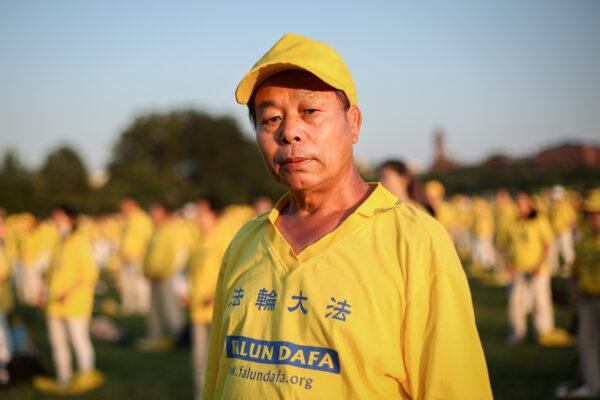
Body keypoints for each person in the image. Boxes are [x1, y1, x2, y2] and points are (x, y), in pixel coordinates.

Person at [203, 33, 492, 399]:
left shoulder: (414, 241)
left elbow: (453, 387)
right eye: (271, 118)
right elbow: (218, 378)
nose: (289, 131)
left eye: (310, 112)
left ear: (353, 123)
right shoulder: (246, 242)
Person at [33, 205, 103, 395]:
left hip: (74, 302)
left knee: (78, 339)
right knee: (58, 342)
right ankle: (64, 378)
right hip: (54, 304)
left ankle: (86, 374)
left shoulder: (80, 240)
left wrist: (68, 292)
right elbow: (50, 271)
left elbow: (89, 273)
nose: (55, 220)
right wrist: (42, 292)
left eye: (59, 216)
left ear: (70, 218)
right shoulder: (59, 241)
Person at [560, 188, 600, 398]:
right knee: (586, 342)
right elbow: (575, 270)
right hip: (587, 299)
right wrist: (574, 288)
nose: (594, 218)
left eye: (598, 213)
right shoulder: (584, 240)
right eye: (591, 214)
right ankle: (593, 384)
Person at [506, 191, 558, 345]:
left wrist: (539, 265)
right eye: (517, 203)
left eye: (522, 203)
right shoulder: (513, 222)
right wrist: (509, 264)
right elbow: (508, 246)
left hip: (538, 270)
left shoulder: (539, 220)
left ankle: (543, 332)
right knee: (515, 302)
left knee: (541, 302)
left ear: (529, 204)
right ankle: (517, 332)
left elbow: (548, 244)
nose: (519, 207)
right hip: (518, 270)